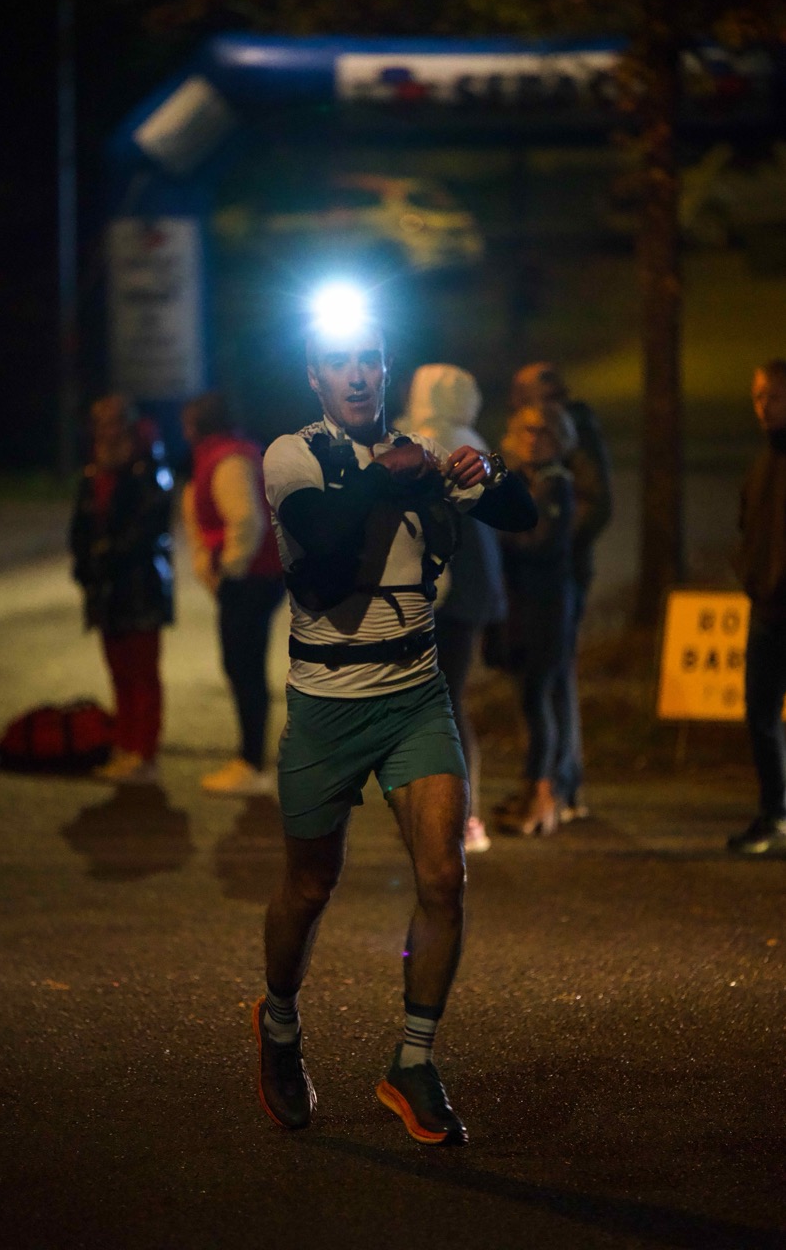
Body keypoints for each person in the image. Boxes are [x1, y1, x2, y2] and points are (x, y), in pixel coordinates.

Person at [252, 309, 537, 1146]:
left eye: (369, 359)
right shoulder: (293, 455)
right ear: (314, 377)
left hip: (415, 696)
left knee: (444, 878)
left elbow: (518, 513)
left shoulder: (420, 453)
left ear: (384, 368)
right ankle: (277, 1025)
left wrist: (487, 471)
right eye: (337, 361)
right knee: (309, 886)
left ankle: (413, 1061)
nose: (356, 374)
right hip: (325, 707)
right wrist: (391, 474)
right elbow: (323, 539)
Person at [402, 364, 508, 854]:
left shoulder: (432, 445)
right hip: (471, 593)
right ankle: (449, 813)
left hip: (445, 598)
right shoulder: (471, 441)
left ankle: (459, 817)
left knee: (440, 706)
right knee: (446, 702)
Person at [508, 362, 612, 821]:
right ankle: (541, 781)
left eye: (525, 394)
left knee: (551, 681)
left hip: (557, 576)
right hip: (543, 574)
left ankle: (559, 783)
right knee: (539, 683)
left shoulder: (569, 437)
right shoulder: (542, 436)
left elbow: (596, 503)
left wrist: (550, 541)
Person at [181, 393, 285, 796]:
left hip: (252, 578)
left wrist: (230, 573)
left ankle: (252, 763)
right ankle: (250, 760)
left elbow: (246, 521)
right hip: (254, 577)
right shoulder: (227, 455)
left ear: (197, 426)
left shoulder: (227, 461)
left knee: (244, 667)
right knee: (242, 666)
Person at [69, 394, 174, 785]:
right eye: (99, 424)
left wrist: (109, 555)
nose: (105, 431)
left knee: (142, 673)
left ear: (127, 425)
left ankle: (144, 753)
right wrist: (85, 564)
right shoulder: (94, 469)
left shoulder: (147, 467)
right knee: (118, 672)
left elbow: (149, 527)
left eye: (112, 422)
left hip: (139, 586)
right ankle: (126, 746)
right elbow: (80, 525)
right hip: (106, 589)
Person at [494, 401, 578, 836]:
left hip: (547, 606)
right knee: (529, 698)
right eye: (525, 430)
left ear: (559, 439)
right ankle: (532, 789)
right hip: (523, 605)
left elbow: (540, 543)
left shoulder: (555, 485)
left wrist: (495, 534)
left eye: (542, 431)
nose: (532, 439)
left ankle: (545, 795)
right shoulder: (524, 479)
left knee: (540, 697)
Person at [728, 359, 786, 855]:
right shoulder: (763, 462)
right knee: (761, 715)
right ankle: (775, 813)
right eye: (758, 397)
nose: (764, 407)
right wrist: (751, 577)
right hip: (768, 611)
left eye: (774, 396)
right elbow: (749, 527)